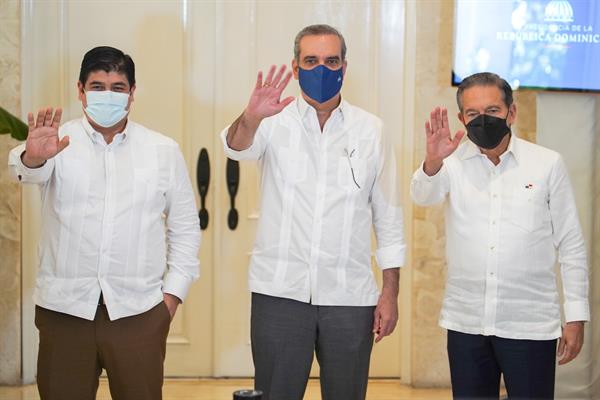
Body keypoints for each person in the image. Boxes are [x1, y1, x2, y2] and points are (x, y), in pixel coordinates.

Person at [220, 24, 406, 400]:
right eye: (311, 61)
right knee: (275, 394)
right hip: (280, 292)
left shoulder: (371, 130)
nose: (322, 69)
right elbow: (235, 148)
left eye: (331, 60)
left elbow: (389, 216)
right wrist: (252, 116)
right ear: (294, 67)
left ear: (344, 66)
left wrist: (390, 293)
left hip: (349, 296)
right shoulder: (271, 121)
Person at [8, 46, 201, 400]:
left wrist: (171, 298)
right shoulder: (56, 143)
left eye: (118, 86)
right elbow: (27, 171)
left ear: (132, 93)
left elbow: (185, 228)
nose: (107, 95)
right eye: (97, 87)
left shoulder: (162, 150)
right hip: (64, 311)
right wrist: (33, 156)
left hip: (139, 312)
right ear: (80, 90)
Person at [410, 72, 589, 399]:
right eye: (473, 114)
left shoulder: (546, 164)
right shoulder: (451, 163)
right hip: (467, 323)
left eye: (492, 111)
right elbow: (423, 195)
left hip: (530, 322)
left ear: (512, 113)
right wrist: (433, 161)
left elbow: (572, 244)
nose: (483, 120)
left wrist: (576, 315)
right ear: (462, 118)